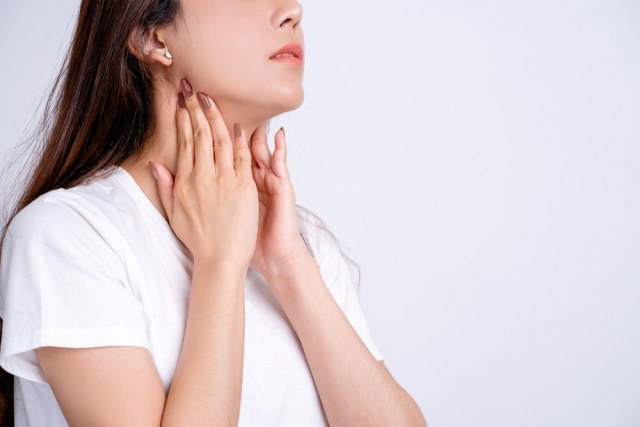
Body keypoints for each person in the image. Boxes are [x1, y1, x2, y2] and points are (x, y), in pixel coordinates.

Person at [0, 0, 427, 425]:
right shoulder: (68, 236)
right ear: (150, 36)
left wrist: (287, 265)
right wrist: (219, 262)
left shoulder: (300, 241)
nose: (293, 10)